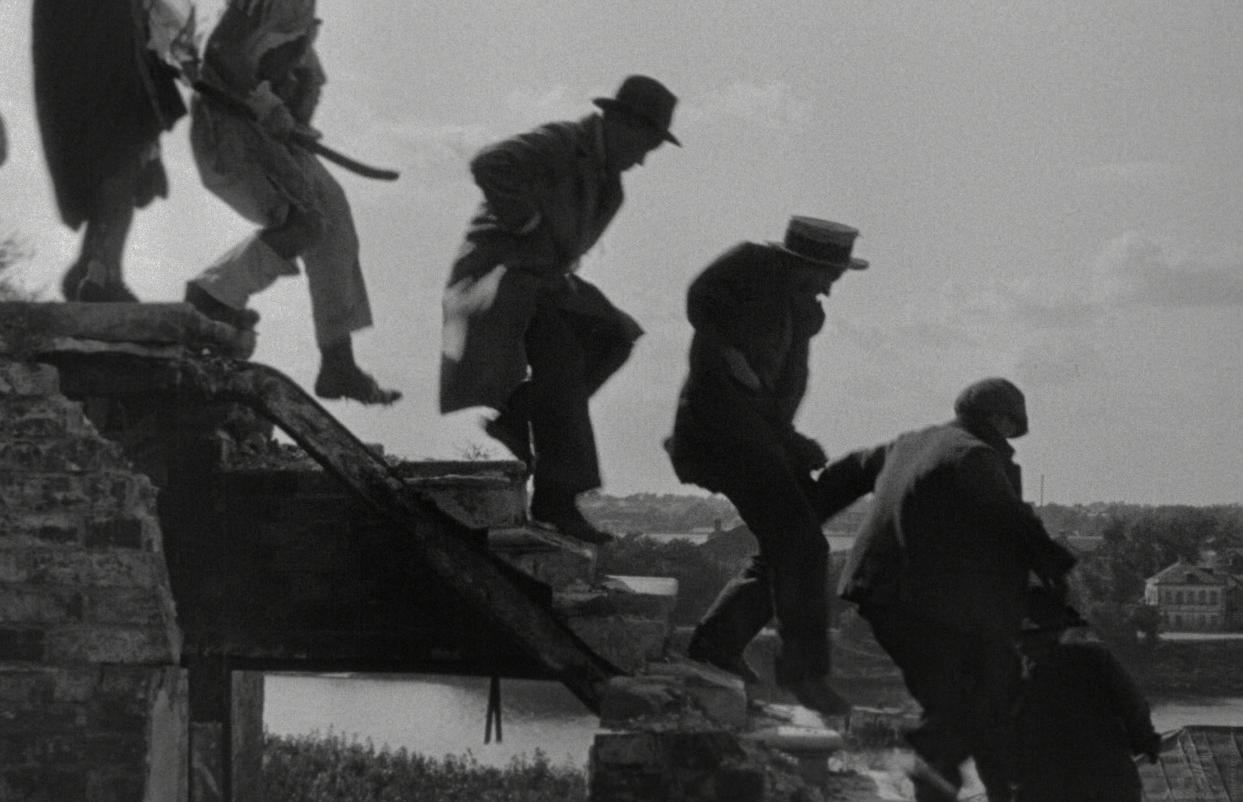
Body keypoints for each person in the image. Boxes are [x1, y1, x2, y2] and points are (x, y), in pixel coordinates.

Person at [440, 75, 680, 544]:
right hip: (500, 272)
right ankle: (558, 497)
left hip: (545, 281)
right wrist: (526, 222)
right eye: (644, 145)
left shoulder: (611, 187)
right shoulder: (561, 143)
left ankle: (519, 411)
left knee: (615, 337)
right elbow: (490, 163)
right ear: (622, 125)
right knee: (562, 358)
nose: (642, 159)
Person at [815, 377, 1078, 801]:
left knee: (965, 695)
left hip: (882, 591)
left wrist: (803, 517)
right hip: (923, 601)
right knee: (970, 700)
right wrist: (1057, 569)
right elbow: (1012, 519)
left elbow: (846, 472)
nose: (1011, 436)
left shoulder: (912, 442)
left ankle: (950, 777)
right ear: (998, 419)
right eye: (1011, 426)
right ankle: (939, 775)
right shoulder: (973, 454)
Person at [665, 216, 868, 716]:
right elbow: (700, 299)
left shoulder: (800, 311)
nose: (829, 288)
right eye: (827, 275)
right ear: (801, 264)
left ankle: (717, 645)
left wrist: (792, 441)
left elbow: (777, 396)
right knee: (802, 545)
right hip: (721, 436)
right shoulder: (748, 271)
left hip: (757, 437)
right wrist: (726, 350)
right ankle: (797, 672)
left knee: (794, 544)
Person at [184, 0, 399, 405]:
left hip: (273, 132)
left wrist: (292, 107)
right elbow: (221, 50)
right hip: (231, 127)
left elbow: (292, 73)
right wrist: (264, 101)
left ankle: (337, 360)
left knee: (334, 221)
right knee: (307, 222)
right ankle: (211, 296)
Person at [32, 0, 187, 302]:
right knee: (119, 166)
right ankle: (101, 273)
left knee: (122, 169)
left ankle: (93, 267)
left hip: (108, 56)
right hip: (100, 60)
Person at [1011, 587, 1160, 802]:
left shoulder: (1014, 678)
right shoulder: (1095, 658)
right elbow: (1134, 708)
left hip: (1048, 788)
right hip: (1111, 783)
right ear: (1058, 632)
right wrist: (1146, 743)